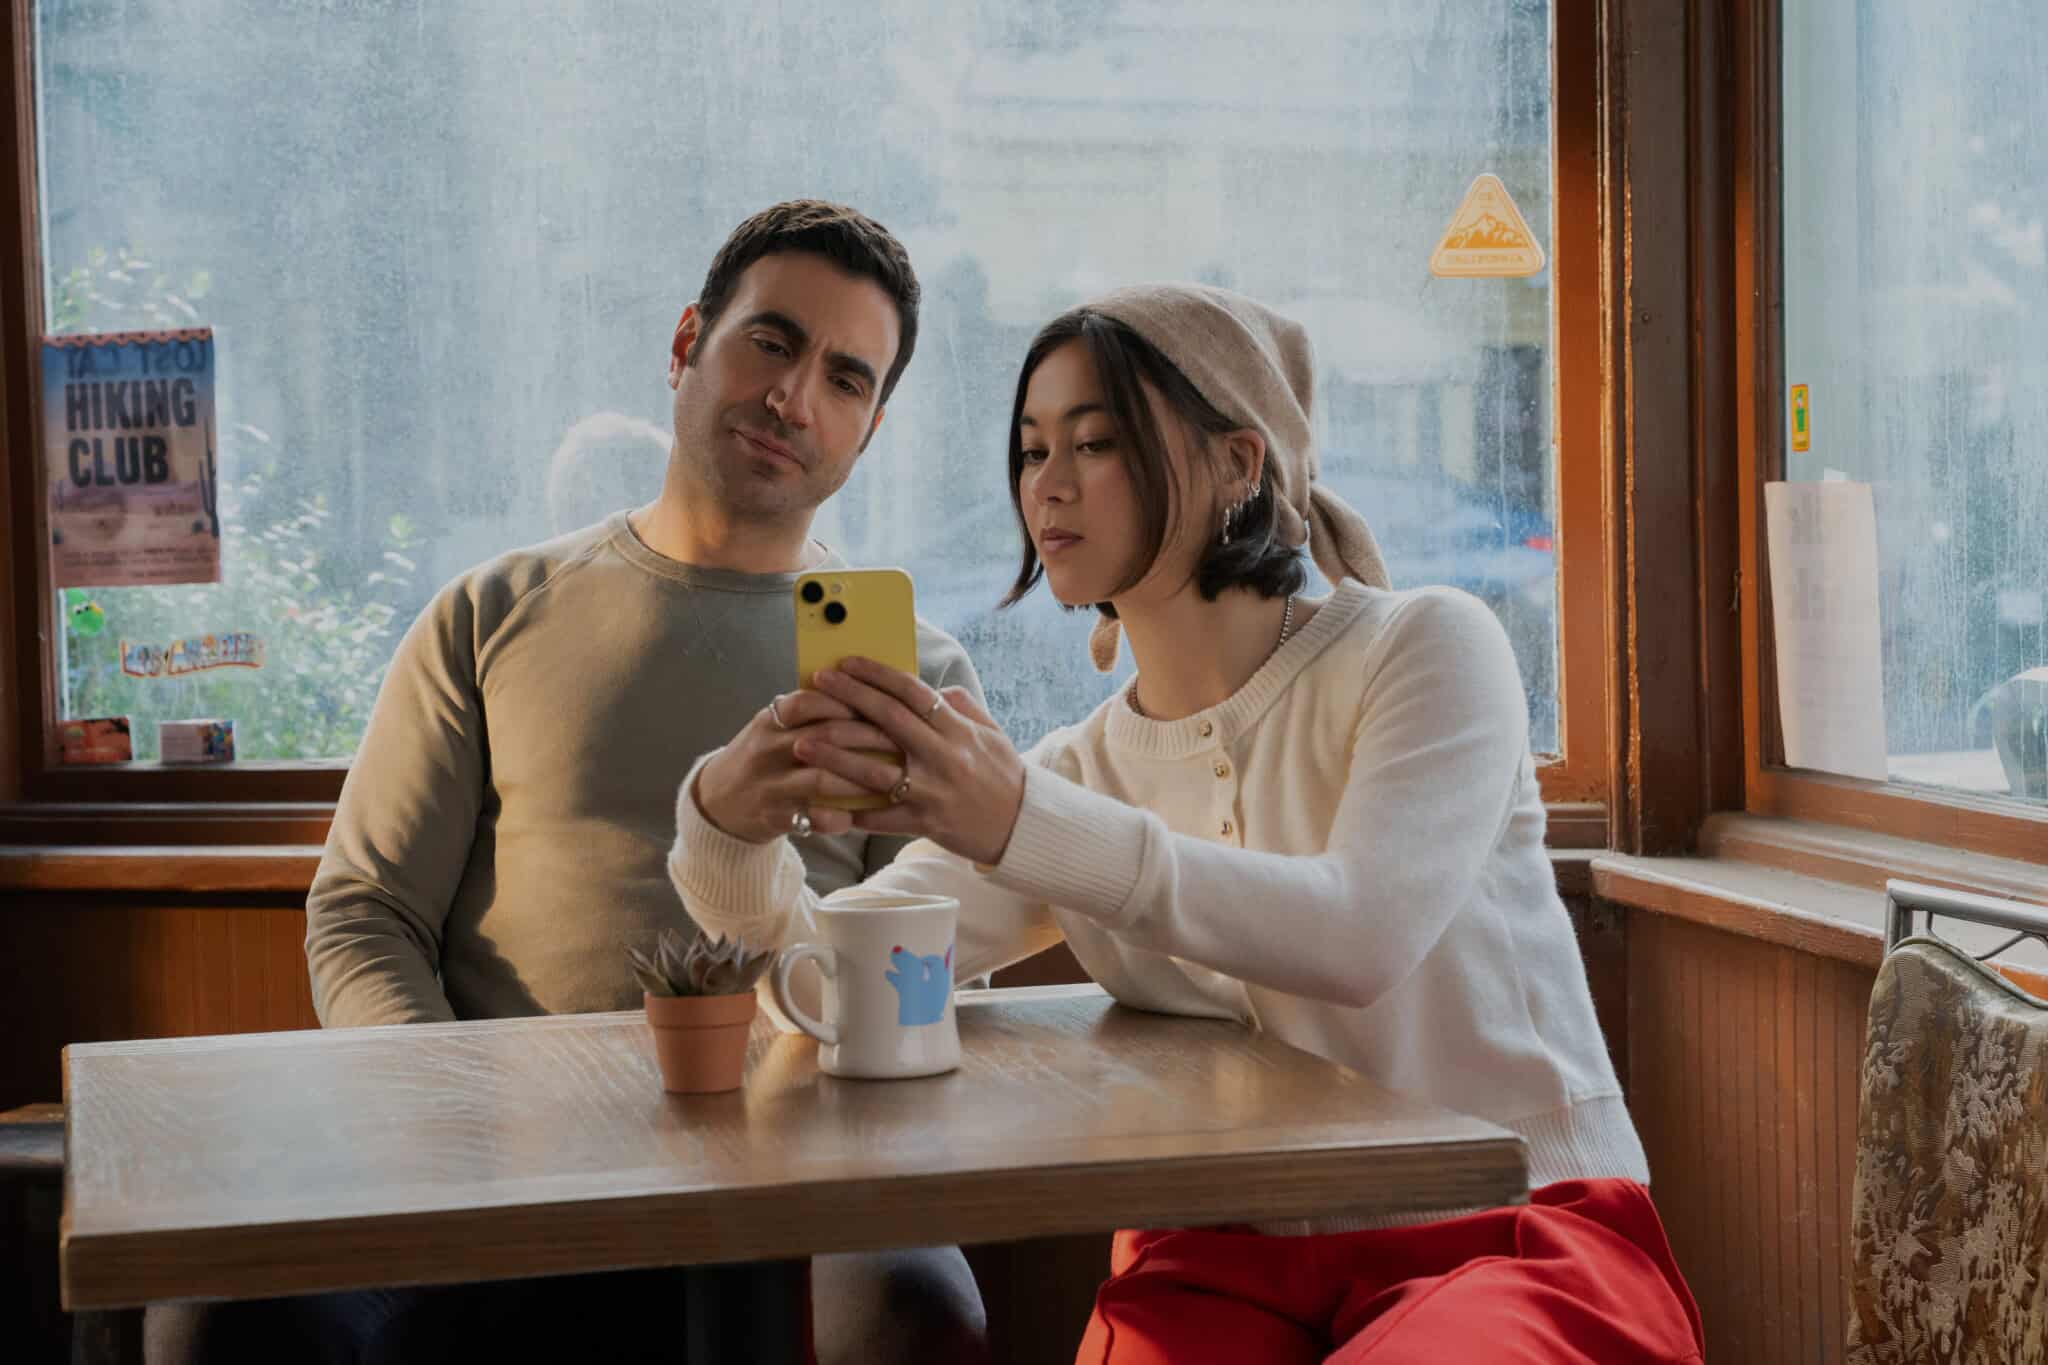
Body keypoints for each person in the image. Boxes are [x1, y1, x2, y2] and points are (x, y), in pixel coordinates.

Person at [669, 284, 1707, 1363]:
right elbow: (832, 990)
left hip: (1508, 1225)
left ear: (1238, 462)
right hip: (1220, 1256)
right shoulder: (1076, 774)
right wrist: (724, 832)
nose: (1047, 484)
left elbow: (1357, 937)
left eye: (1095, 443)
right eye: (1030, 450)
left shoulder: (1428, 647)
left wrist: (1021, 819)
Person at [147, 201, 992, 1365]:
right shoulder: (490, 612)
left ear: (872, 427)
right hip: (492, 1161)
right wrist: (450, 1124)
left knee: (910, 1311)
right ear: (687, 341)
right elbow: (365, 913)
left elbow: (934, 975)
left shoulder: (917, 681)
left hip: (798, 1172)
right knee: (213, 1310)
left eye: (846, 379)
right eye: (771, 342)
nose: (794, 398)